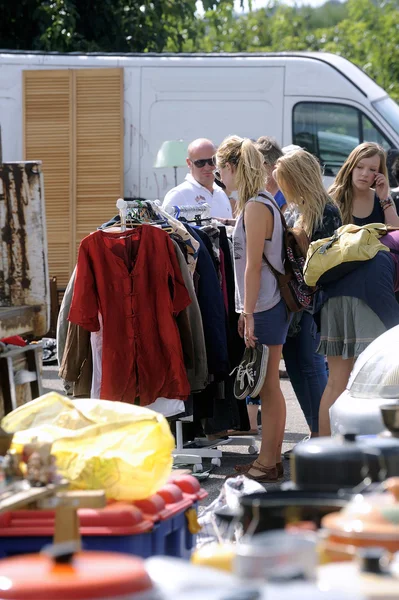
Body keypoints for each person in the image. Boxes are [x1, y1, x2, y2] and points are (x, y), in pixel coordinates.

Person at [216, 135, 289, 483]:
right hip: (265, 302)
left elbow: (253, 265)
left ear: (231, 168)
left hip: (266, 304)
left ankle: (269, 461)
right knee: (267, 384)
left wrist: (247, 313)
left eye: (220, 170)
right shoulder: (258, 203)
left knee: (269, 385)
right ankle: (268, 459)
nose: (219, 178)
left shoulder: (257, 206)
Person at [273, 149, 342, 445]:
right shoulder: (296, 209)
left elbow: (327, 263)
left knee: (310, 366)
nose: (279, 187)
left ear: (294, 179)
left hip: (314, 302)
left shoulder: (325, 211)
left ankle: (321, 433)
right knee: (300, 366)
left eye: (282, 180)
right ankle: (318, 431)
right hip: (298, 302)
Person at [329, 142, 399, 227]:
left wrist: (384, 199)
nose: (365, 174)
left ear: (379, 173)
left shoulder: (383, 199)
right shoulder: (333, 198)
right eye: (359, 167)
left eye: (372, 169)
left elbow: (396, 233)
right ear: (351, 168)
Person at [162, 138, 233, 219]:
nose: (207, 167)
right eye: (200, 163)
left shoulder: (221, 193)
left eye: (211, 161)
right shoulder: (178, 194)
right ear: (189, 163)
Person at [256, 136, 287, 213]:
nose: (256, 169)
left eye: (260, 164)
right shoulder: (257, 190)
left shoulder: (285, 195)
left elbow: (282, 224)